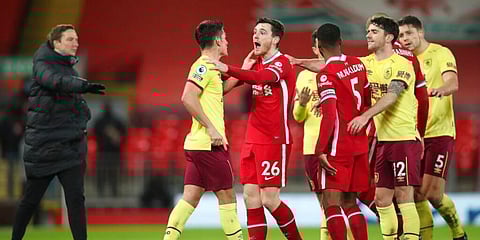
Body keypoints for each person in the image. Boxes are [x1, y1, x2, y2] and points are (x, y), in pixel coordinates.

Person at [207, 17, 302, 240]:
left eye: (262, 33)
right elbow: (225, 89)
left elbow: (260, 78)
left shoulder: (282, 63)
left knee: (269, 199)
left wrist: (227, 67)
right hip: (252, 139)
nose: (255, 36)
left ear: (276, 39)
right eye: (255, 32)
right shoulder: (255, 63)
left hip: (274, 138)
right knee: (250, 196)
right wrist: (241, 67)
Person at [12, 24, 106, 240]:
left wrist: (84, 115)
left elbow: (71, 100)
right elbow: (54, 82)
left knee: (76, 199)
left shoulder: (70, 70)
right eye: (71, 39)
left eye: (77, 39)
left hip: (69, 147)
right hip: (45, 147)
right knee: (31, 200)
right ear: (56, 43)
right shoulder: (42, 64)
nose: (76, 43)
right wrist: (81, 86)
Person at [162, 20, 243, 240]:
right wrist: (212, 128)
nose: (227, 41)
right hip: (210, 144)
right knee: (227, 196)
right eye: (225, 37)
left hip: (197, 145)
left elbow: (219, 91)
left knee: (190, 197)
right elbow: (187, 97)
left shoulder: (212, 69)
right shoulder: (203, 66)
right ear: (217, 40)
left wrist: (246, 67)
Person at [347, 17, 421, 240]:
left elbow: (391, 96)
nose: (368, 35)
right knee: (381, 198)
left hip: (405, 139)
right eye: (367, 31)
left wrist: (365, 116)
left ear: (389, 37)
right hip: (384, 142)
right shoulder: (366, 63)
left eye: (374, 31)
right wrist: (296, 60)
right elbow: (333, 66)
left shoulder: (402, 65)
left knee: (404, 195)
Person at [398, 15, 467, 240]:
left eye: (408, 33)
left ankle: (458, 231)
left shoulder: (440, 53)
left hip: (440, 133)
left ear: (421, 32)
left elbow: (452, 82)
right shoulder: (404, 61)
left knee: (432, 194)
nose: (405, 38)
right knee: (417, 195)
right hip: (414, 135)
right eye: (400, 35)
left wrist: (441, 90)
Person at [311, 23, 371, 240]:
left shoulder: (326, 74)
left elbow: (329, 115)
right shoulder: (358, 64)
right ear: (340, 42)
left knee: (331, 203)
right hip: (359, 144)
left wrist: (320, 150)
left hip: (339, 145)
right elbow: (366, 100)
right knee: (350, 202)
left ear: (319, 46)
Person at [93, 99, 126, 197]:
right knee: (102, 174)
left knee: (113, 174)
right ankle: (101, 192)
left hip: (112, 152)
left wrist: (116, 135)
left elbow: (124, 134)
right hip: (103, 151)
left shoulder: (116, 121)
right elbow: (95, 133)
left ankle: (113, 192)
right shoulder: (100, 121)